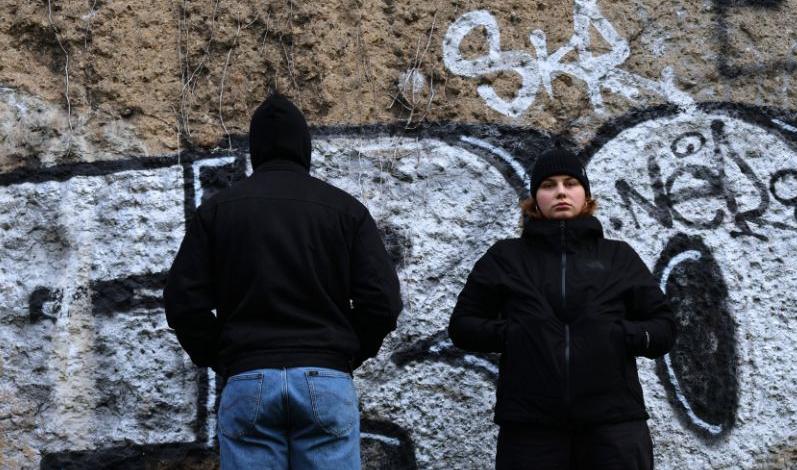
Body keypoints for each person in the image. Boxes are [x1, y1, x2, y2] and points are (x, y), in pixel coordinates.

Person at [164, 92, 402, 469]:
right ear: (305, 147)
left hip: (248, 377)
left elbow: (183, 303)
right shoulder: (345, 210)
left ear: (255, 149)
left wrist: (224, 357)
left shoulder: (216, 212)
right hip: (325, 377)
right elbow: (383, 302)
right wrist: (345, 355)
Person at [449, 148, 677, 469]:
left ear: (585, 195)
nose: (560, 192)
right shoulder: (505, 257)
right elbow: (462, 326)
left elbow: (665, 328)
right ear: (534, 198)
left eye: (570, 183)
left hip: (614, 426)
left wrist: (620, 334)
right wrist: (516, 334)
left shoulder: (618, 257)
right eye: (549, 185)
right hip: (531, 428)